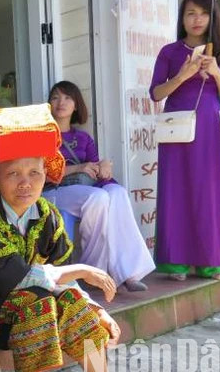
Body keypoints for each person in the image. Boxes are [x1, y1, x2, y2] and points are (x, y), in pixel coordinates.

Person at [0, 104, 120, 372]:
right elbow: (12, 278)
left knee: (70, 300)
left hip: (16, 306)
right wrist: (83, 269)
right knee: (37, 299)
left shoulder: (48, 215)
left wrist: (95, 308)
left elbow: (63, 278)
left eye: (34, 173)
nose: (26, 183)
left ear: (45, 174)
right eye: (14, 174)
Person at [149, 0, 220, 280]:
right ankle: (176, 262)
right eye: (190, 13)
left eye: (202, 13)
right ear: (182, 18)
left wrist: (216, 71)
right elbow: (156, 93)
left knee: (207, 192)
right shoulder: (170, 52)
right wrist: (182, 76)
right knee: (175, 190)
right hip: (176, 128)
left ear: (212, 16)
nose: (197, 19)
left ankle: (211, 262)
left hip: (210, 129)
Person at [45, 81, 155, 291]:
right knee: (97, 198)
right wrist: (79, 168)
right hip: (53, 191)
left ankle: (130, 272)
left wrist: (104, 171)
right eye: (55, 97)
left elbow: (96, 172)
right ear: (48, 104)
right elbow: (42, 174)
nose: (61, 102)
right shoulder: (43, 135)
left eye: (68, 98)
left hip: (82, 190)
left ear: (76, 105)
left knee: (117, 192)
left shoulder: (83, 138)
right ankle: (91, 271)